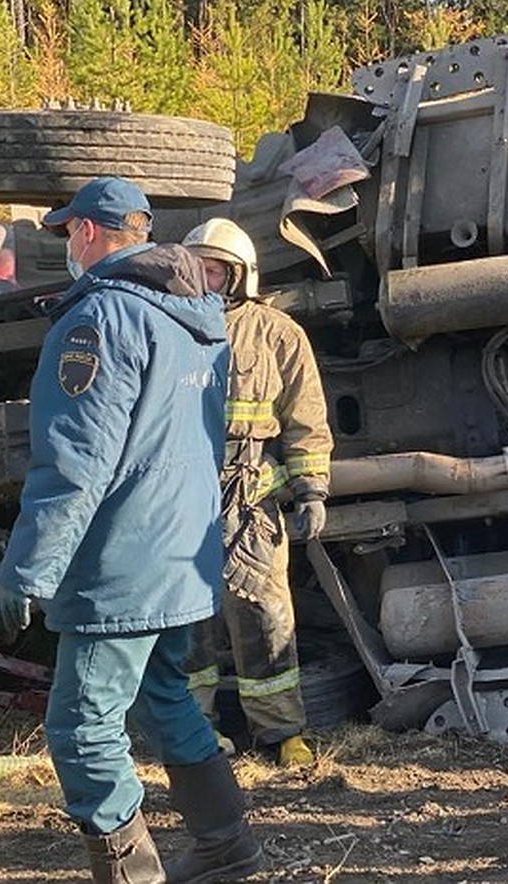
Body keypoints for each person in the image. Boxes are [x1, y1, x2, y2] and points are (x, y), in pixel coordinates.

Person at [0, 177, 265, 884]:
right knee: (167, 695)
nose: (66, 247)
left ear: (87, 231)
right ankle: (227, 848)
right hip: (181, 554)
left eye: (67, 233)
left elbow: (76, 463)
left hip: (122, 560)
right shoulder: (197, 317)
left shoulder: (99, 321)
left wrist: (28, 572)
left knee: (81, 730)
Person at [180, 217, 333, 767]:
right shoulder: (167, 328)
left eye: (216, 269)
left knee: (266, 617)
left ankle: (282, 732)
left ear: (239, 275)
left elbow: (305, 418)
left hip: (249, 501)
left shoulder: (276, 333)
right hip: (178, 498)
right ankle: (194, 731)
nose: (205, 277)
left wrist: (312, 490)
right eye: (196, 267)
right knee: (186, 622)